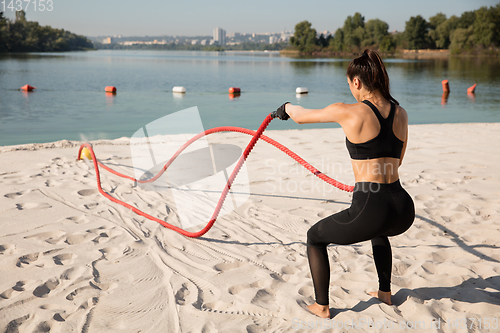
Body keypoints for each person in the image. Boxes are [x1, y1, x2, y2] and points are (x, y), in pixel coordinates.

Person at [274, 49, 415, 319]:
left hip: (372, 206)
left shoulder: (349, 112)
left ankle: (322, 306)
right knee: (379, 230)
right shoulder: (401, 113)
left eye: (350, 84)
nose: (350, 89)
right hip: (403, 207)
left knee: (315, 237)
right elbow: (398, 161)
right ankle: (385, 293)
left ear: (357, 83)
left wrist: (287, 108)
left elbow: (302, 117)